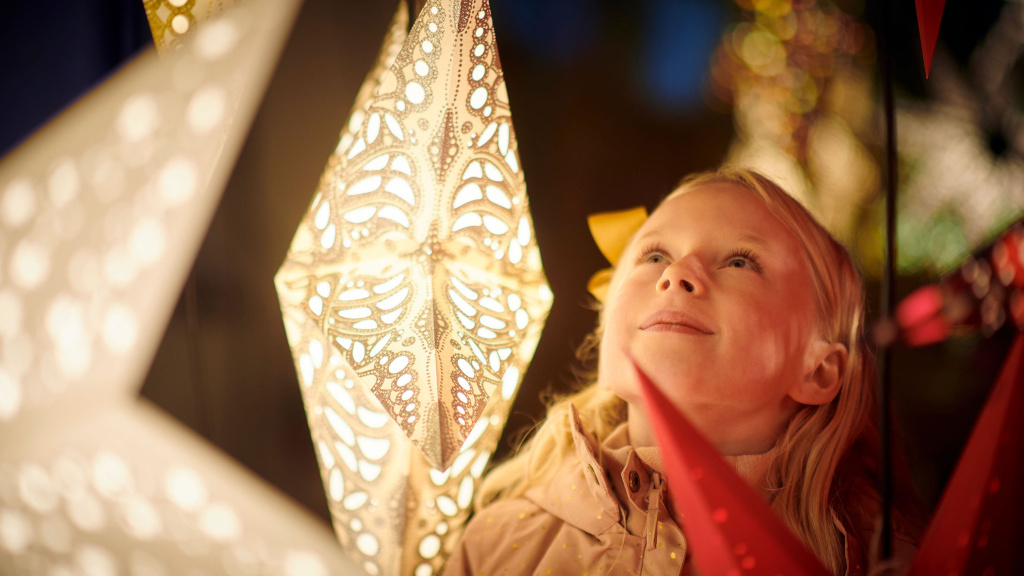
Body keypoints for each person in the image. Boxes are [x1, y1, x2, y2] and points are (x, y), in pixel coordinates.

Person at [443, 167, 920, 576]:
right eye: (654, 256)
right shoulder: (496, 545)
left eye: (740, 261)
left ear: (817, 371)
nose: (677, 273)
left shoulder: (882, 560)